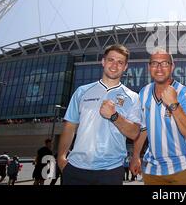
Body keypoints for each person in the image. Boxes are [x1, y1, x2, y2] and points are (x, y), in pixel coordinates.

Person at [58, 44, 141, 185]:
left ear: (125, 67)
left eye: (120, 62)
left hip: (111, 171)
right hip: (75, 169)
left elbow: (134, 133)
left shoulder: (132, 97)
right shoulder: (81, 91)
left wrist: (114, 116)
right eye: (111, 60)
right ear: (103, 62)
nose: (115, 65)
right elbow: (69, 128)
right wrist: (61, 158)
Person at [130, 48, 186, 185]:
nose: (159, 68)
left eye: (165, 63)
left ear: (172, 66)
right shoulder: (144, 93)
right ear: (149, 67)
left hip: (181, 168)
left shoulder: (184, 93)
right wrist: (135, 155)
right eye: (155, 63)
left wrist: (174, 104)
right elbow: (143, 129)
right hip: (152, 170)